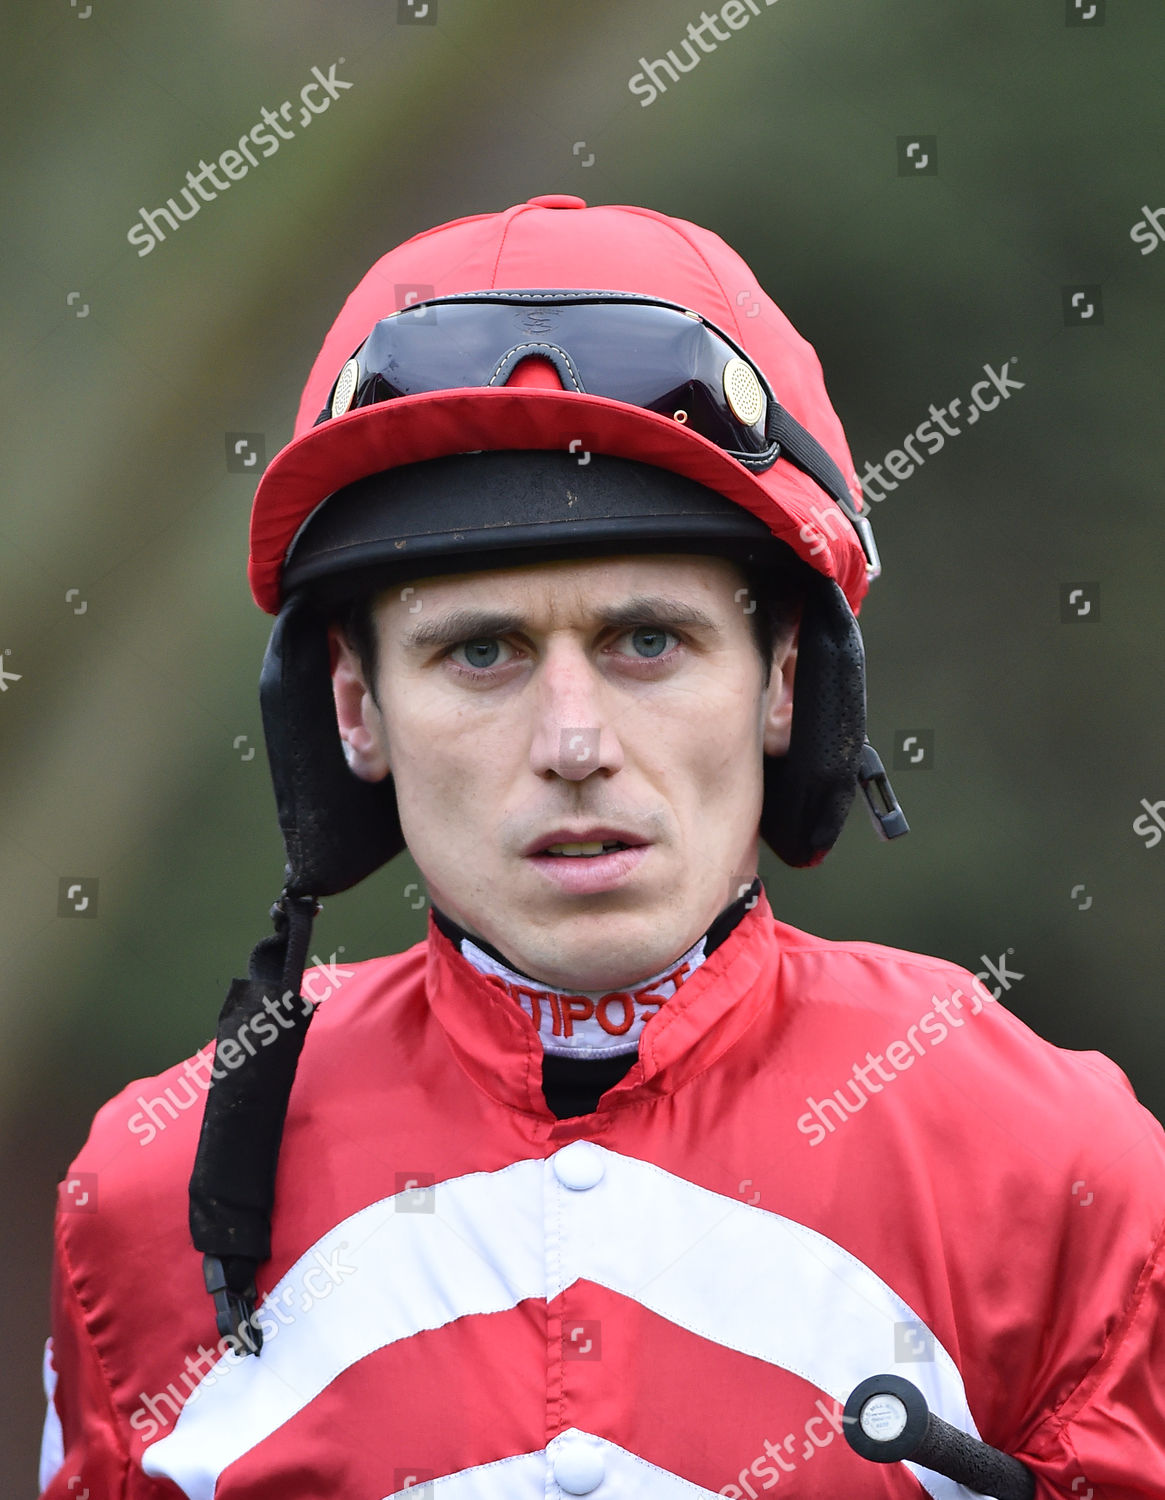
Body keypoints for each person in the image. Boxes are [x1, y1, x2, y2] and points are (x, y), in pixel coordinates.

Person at [39, 195, 1165, 1500]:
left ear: (784, 683)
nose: (572, 740)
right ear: (354, 710)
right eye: (480, 652)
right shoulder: (143, 1198)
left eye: (647, 641)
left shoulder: (1062, 1169)